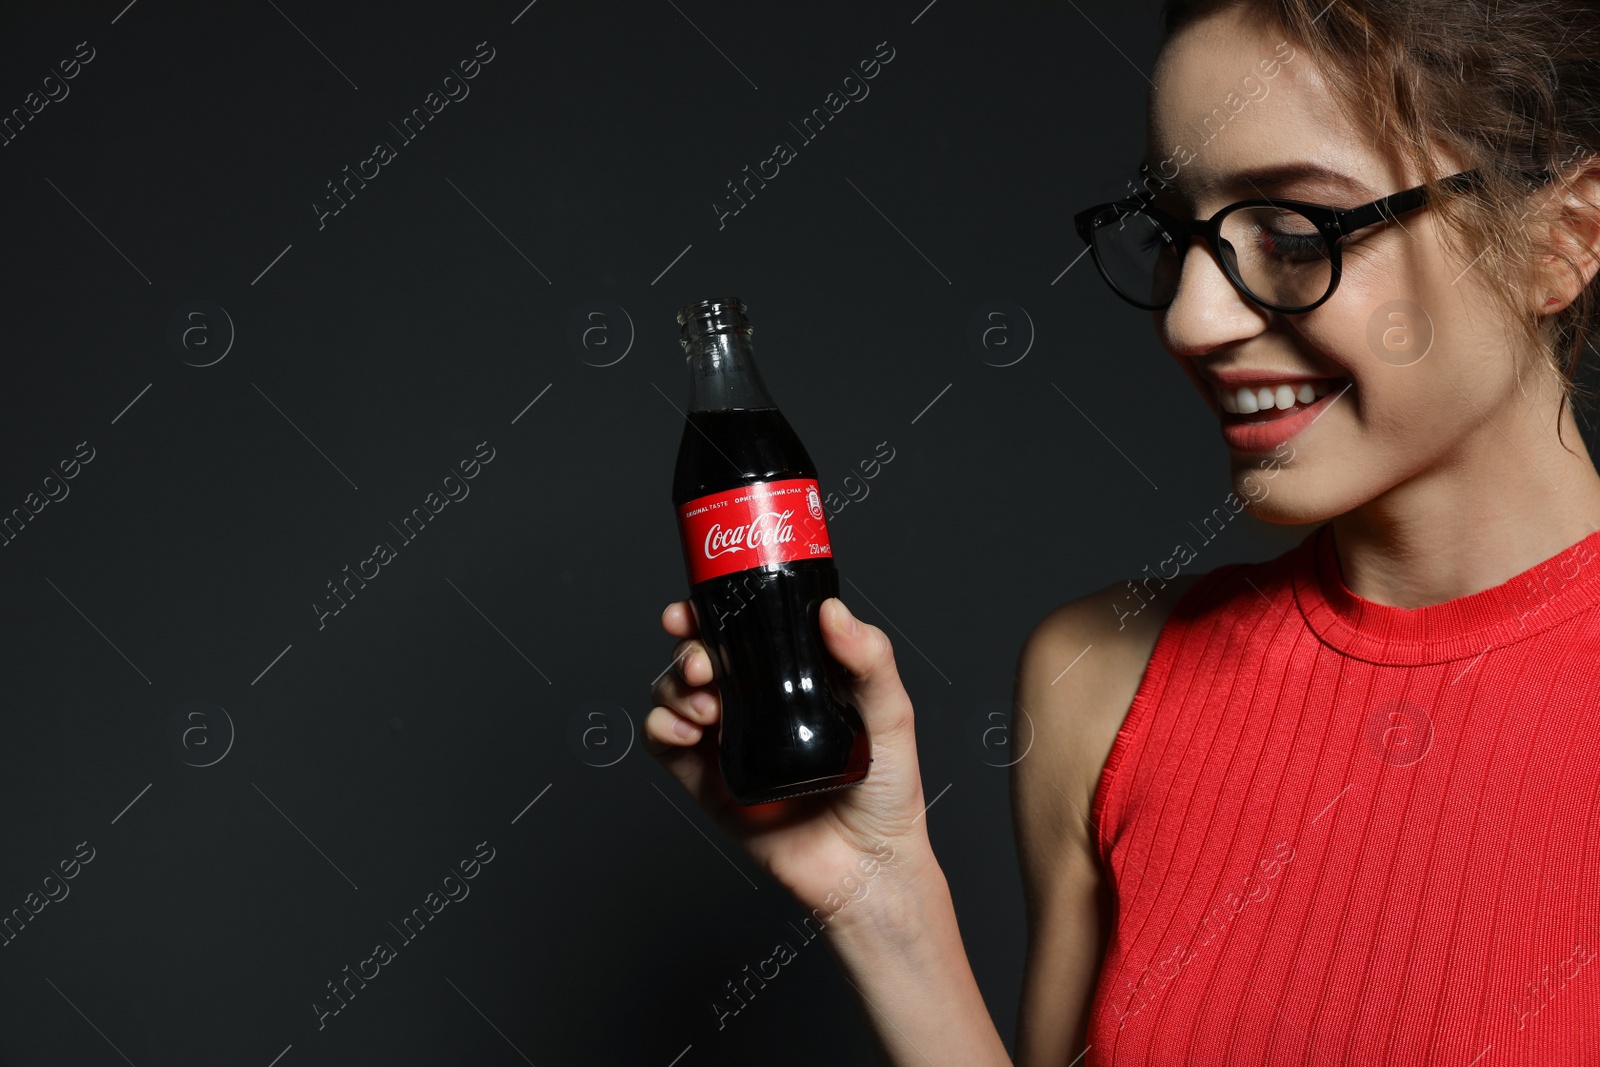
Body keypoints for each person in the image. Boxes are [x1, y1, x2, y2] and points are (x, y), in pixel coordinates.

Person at [647, 0, 1600, 1060]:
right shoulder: (1101, 680)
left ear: (1561, 241)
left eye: (1292, 233)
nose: (1194, 320)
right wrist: (881, 893)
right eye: (1174, 235)